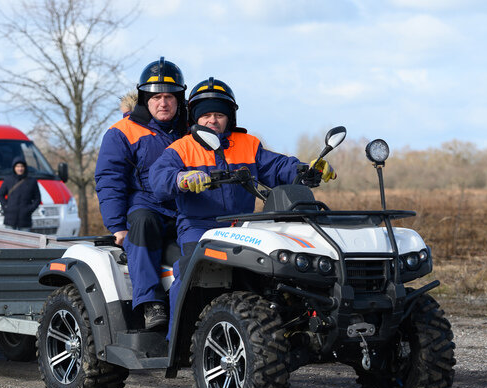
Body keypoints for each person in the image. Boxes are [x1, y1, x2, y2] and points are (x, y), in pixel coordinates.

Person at [149, 77, 335, 334]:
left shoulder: (248, 144)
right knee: (190, 269)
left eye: (219, 115)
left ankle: (281, 329)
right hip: (199, 226)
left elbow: (278, 167)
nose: (212, 120)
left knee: (273, 270)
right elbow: (158, 178)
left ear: (230, 118)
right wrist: (182, 178)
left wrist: (307, 170)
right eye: (206, 115)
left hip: (245, 225)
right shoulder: (182, 148)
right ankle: (177, 338)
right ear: (195, 118)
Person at [94, 57, 188, 329]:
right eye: (156, 97)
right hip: (148, 207)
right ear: (145, 99)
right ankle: (151, 303)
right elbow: (110, 180)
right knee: (143, 222)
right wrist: (117, 226)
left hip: (187, 209)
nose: (163, 103)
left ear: (179, 99)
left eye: (169, 96)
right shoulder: (121, 132)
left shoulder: (192, 130)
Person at [0, 156, 41, 231]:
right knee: (9, 238)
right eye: (17, 166)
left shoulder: (32, 181)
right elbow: (0, 195)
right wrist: (6, 206)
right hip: (10, 219)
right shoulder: (8, 180)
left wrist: (29, 209)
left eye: (22, 166)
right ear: (14, 168)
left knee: (25, 238)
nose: (20, 169)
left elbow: (37, 199)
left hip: (25, 219)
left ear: (25, 167)